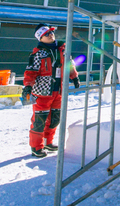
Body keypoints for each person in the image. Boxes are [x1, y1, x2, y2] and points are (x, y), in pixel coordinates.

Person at [22, 24, 79, 158]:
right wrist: (28, 86)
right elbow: (30, 72)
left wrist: (74, 77)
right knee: (40, 120)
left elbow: (69, 65)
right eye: (46, 34)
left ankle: (48, 142)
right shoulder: (38, 53)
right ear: (40, 38)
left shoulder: (63, 50)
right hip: (42, 92)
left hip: (58, 90)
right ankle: (36, 147)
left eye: (51, 32)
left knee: (55, 118)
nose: (50, 35)